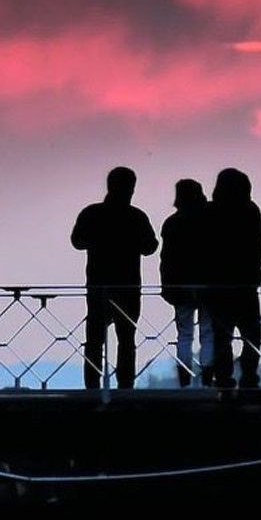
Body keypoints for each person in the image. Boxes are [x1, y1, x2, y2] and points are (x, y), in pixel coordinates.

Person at [72, 166, 158, 391]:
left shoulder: (91, 213)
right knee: (127, 339)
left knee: (94, 340)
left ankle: (92, 385)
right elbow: (150, 246)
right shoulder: (136, 216)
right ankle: (125, 386)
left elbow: (77, 241)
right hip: (128, 286)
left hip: (98, 285)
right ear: (131, 188)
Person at [206, 167, 261, 391]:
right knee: (251, 333)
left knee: (222, 334)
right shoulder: (250, 210)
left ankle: (223, 377)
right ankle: (249, 376)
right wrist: (255, 269)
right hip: (245, 283)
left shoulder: (211, 211)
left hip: (218, 283)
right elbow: (260, 241)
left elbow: (205, 245)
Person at [160, 178, 214, 385]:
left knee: (184, 333)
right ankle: (207, 378)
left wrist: (167, 285)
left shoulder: (172, 223)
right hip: (208, 283)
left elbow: (167, 258)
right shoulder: (210, 220)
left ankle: (184, 378)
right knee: (208, 331)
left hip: (180, 284)